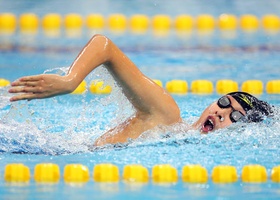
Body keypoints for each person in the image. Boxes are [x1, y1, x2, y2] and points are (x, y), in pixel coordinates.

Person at [8, 34, 273, 146]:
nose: (222, 113)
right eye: (224, 103)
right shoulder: (167, 115)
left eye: (235, 118)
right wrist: (70, 80)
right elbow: (104, 46)